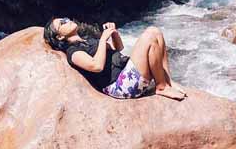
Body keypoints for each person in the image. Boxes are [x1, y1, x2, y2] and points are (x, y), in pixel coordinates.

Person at [43, 17, 185, 100]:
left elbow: (119, 48)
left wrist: (114, 34)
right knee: (149, 37)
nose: (66, 20)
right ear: (60, 37)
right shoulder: (73, 52)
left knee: (155, 31)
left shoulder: (87, 39)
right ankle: (161, 87)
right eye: (62, 23)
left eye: (65, 19)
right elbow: (96, 66)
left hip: (125, 70)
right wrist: (103, 37)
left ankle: (167, 80)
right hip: (119, 85)